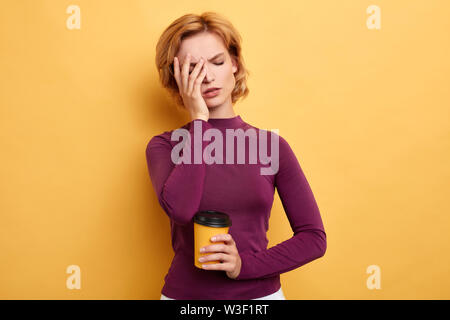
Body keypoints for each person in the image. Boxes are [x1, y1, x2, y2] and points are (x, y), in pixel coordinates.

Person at [146, 12, 327, 300]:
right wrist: (199, 121)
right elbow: (182, 211)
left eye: (217, 62)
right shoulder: (165, 146)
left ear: (234, 64)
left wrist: (244, 266)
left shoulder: (271, 146)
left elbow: (313, 238)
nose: (207, 76)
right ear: (176, 78)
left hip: (259, 298)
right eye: (193, 68)